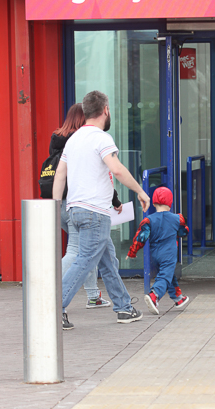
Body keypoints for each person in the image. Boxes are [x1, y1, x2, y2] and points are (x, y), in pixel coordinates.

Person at [53, 90, 150, 328]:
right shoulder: (101, 139)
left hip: (74, 210)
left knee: (107, 262)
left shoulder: (72, 140)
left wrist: (56, 208)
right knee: (85, 260)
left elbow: (60, 175)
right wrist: (140, 191)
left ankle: (124, 308)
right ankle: (53, 308)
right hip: (95, 212)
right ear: (105, 110)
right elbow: (116, 170)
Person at [50, 103, 122, 310]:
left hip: (64, 204)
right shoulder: (86, 139)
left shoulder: (59, 139)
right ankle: (53, 292)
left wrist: (56, 206)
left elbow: (60, 174)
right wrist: (115, 201)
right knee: (79, 254)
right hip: (84, 205)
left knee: (96, 252)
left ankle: (98, 297)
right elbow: (101, 175)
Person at [126, 187, 189, 315]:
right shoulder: (177, 219)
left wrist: (132, 252)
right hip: (169, 253)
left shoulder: (149, 220)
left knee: (168, 274)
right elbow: (183, 232)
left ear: (154, 203)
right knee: (164, 276)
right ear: (170, 203)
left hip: (155, 254)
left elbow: (141, 237)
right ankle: (154, 295)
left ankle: (178, 297)